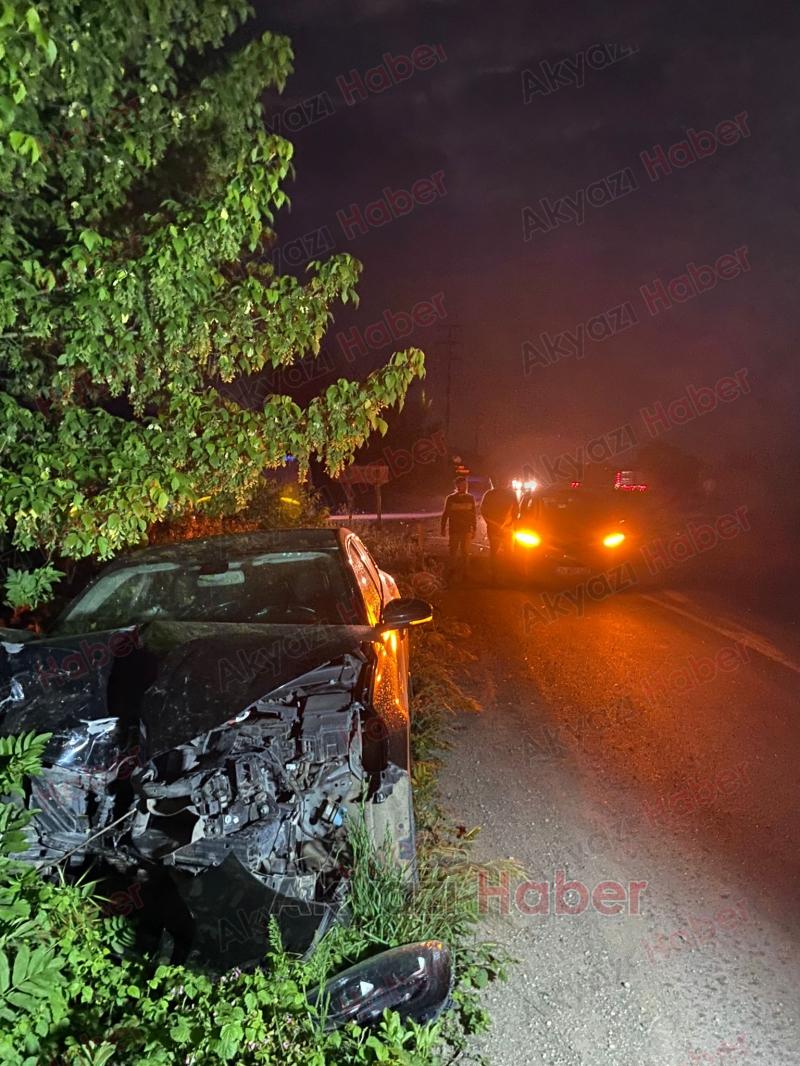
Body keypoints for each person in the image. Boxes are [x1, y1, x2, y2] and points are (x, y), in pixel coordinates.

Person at [480, 477, 518, 577]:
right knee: (508, 552)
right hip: (507, 529)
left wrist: (490, 523)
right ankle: (506, 574)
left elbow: (483, 511)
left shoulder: (489, 494)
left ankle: (495, 574)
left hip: (495, 529)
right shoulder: (511, 494)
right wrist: (510, 523)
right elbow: (516, 511)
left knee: (494, 552)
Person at [440, 476, 476, 582]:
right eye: (462, 485)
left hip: (466, 530)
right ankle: (452, 571)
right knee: (453, 552)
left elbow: (473, 514)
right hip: (454, 529)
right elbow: (445, 514)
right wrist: (443, 527)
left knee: (465, 552)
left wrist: (474, 528)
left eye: (466, 484)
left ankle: (465, 573)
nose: (465, 486)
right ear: (457, 486)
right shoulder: (451, 498)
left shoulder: (470, 498)